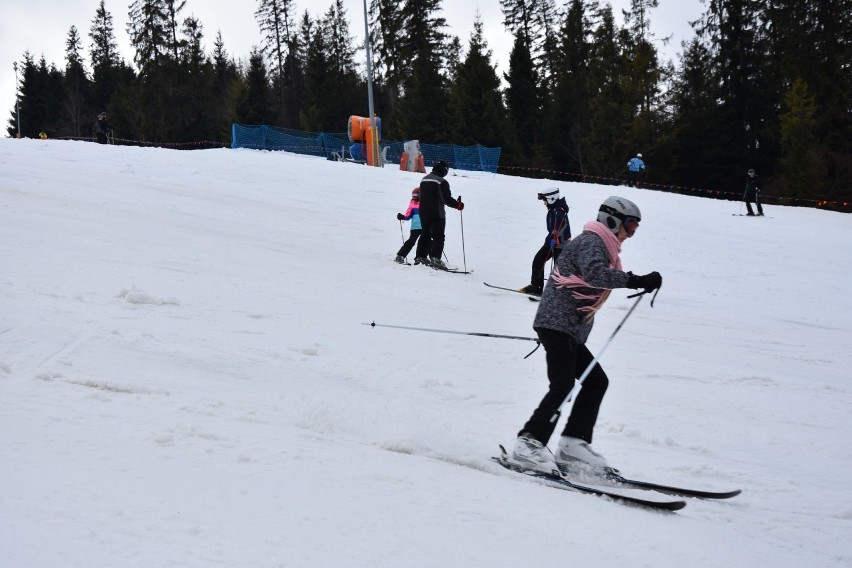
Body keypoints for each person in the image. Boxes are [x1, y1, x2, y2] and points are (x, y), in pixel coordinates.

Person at [510, 196, 663, 476]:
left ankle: (572, 445)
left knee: (596, 381)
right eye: (630, 226)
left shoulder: (603, 246)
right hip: (557, 324)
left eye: (635, 228)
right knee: (563, 385)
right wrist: (636, 280)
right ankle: (529, 443)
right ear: (613, 220)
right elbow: (595, 275)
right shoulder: (591, 241)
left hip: (568, 329)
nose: (631, 233)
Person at [520, 187, 571, 296]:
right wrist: (550, 240)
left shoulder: (559, 211)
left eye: (545, 200)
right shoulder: (553, 210)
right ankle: (536, 287)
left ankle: (561, 295)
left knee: (560, 269)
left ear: (551, 199)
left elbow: (559, 226)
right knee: (539, 260)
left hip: (562, 245)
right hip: (552, 242)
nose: (544, 203)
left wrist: (554, 236)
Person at [413, 160, 464, 269]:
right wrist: (458, 205)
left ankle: (420, 257)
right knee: (438, 236)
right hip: (437, 213)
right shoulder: (441, 182)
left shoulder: (424, 179)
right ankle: (436, 259)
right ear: (444, 170)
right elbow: (446, 199)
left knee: (425, 234)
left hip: (423, 212)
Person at [395, 187, 422, 263]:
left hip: (425, 227)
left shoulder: (427, 203)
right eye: (413, 195)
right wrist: (402, 217)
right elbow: (408, 216)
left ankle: (422, 258)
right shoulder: (412, 205)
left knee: (427, 242)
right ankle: (400, 256)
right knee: (411, 241)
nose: (414, 197)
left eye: (416, 195)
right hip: (415, 227)